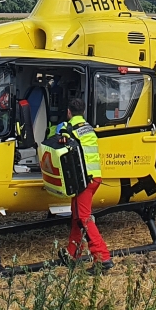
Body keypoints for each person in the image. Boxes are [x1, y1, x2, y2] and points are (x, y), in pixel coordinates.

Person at [55, 95, 112, 271]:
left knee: (83, 218)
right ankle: (73, 254)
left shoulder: (68, 127)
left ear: (68, 112)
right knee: (77, 216)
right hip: (94, 177)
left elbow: (59, 140)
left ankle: (102, 258)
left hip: (83, 180)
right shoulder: (88, 127)